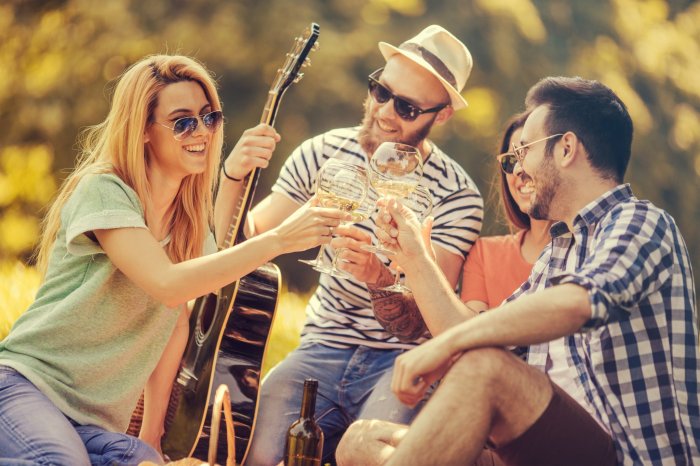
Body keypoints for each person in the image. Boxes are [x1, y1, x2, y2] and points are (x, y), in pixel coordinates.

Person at [0, 54, 346, 466]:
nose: (200, 131)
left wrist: (153, 432)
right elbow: (167, 284)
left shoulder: (188, 222)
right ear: (143, 130)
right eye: (183, 122)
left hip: (93, 424)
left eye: (209, 117)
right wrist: (278, 239)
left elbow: (179, 314)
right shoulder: (105, 190)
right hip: (27, 388)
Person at [339, 76, 699, 465]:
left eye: (525, 150)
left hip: (628, 458)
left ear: (566, 149)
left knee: (487, 370)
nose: (518, 170)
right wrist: (415, 259)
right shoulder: (559, 252)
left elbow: (578, 303)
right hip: (548, 452)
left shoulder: (639, 222)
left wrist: (445, 346)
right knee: (360, 443)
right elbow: (475, 334)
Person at [216, 25, 484, 465]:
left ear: (442, 116)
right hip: (321, 345)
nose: (384, 111)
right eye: (381, 91)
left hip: (401, 360)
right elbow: (238, 242)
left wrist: (380, 279)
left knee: (380, 457)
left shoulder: (457, 196)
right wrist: (231, 178)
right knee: (254, 455)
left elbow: (425, 324)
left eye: (407, 107)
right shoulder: (321, 152)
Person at [460, 111, 552, 313]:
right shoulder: (485, 254)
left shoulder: (585, 251)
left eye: (529, 156)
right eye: (510, 161)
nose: (520, 171)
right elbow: (471, 335)